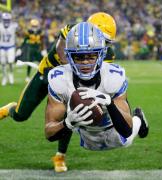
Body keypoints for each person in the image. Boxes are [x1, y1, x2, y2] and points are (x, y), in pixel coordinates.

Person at [0, 12, 117, 172]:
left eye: (106, 41)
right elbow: (61, 53)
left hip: (71, 81)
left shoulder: (107, 54)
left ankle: (60, 156)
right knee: (21, 115)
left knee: (70, 117)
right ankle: (9, 109)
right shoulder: (72, 31)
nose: (103, 44)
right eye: (101, 38)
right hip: (49, 72)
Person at [45, 22, 149, 169]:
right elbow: (49, 133)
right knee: (91, 143)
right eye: (79, 57)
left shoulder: (113, 77)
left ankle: (139, 119)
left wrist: (110, 103)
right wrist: (67, 123)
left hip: (113, 127)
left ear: (101, 54)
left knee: (127, 141)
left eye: (91, 56)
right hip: (86, 132)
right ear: (69, 56)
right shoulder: (60, 79)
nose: (85, 62)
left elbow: (126, 130)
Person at [0, 12, 18, 86]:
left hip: (11, 46)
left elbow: (18, 28)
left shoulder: (14, 26)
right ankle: (4, 77)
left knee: (10, 62)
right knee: (3, 63)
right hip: (2, 47)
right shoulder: (0, 26)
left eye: (8, 19)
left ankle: (11, 76)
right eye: (5, 19)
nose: (6, 21)